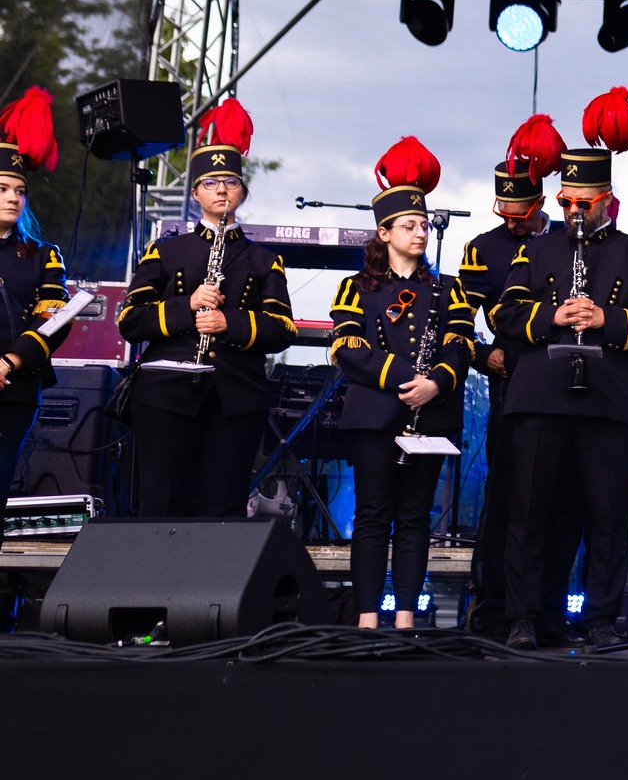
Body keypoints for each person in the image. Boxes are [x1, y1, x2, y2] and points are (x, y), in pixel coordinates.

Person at [492, 89, 628, 651]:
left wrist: (603, 318)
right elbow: (504, 314)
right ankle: (524, 617)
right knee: (529, 513)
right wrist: (552, 315)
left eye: (584, 203)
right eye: (567, 201)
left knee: (608, 515)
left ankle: (600, 618)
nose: (573, 210)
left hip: (607, 401)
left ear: (606, 201)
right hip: (539, 398)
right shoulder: (536, 250)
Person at [119, 100, 296, 518]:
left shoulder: (263, 260)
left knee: (222, 509)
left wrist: (227, 322)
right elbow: (130, 321)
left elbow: (283, 328)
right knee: (161, 505)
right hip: (165, 393)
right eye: (211, 182)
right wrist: (188, 305)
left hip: (236, 394)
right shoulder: (166, 251)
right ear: (195, 192)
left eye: (231, 182)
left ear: (242, 192)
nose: (221, 190)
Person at [328, 138, 476, 628]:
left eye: (424, 224)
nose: (420, 232)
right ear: (384, 232)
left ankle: (407, 618)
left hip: (431, 415)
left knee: (415, 518)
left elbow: (462, 346)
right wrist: (406, 378)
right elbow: (348, 348)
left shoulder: (448, 289)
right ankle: (368, 619)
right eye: (409, 225)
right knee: (372, 516)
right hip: (375, 419)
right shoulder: (356, 287)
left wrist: (437, 383)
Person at [458, 114, 564, 640]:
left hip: (565, 385)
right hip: (512, 383)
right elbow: (456, 318)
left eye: (520, 214)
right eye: (504, 212)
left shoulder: (567, 239)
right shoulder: (484, 247)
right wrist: (483, 356)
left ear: (540, 203)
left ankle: (550, 610)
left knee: (561, 503)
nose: (512, 222)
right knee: (506, 500)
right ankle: (494, 607)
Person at [0, 88, 75, 499]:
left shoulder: (44, 255)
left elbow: (53, 317)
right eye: (2, 188)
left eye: (19, 190)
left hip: (16, 386)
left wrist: (9, 362)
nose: (13, 197)